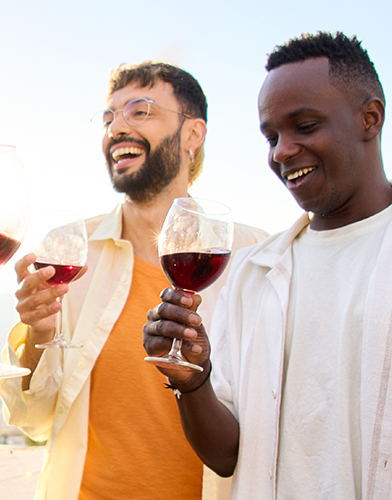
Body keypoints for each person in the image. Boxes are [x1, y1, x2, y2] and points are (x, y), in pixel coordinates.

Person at [0, 61, 267, 500]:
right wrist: (38, 333)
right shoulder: (70, 252)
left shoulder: (254, 257)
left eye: (140, 111)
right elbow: (31, 418)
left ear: (193, 134)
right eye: (109, 118)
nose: (117, 128)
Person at [143, 31, 391, 499]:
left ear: (370, 118)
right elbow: (227, 456)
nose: (281, 152)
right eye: (271, 137)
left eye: (305, 126)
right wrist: (193, 381)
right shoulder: (252, 271)